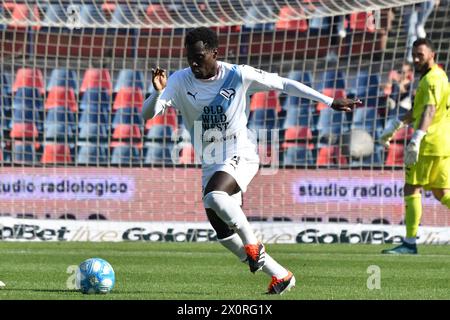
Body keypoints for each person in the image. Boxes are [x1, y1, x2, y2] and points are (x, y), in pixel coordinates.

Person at [142, 27, 361, 294]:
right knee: (222, 232)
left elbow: (283, 84)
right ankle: (281, 275)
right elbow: (147, 115)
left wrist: (328, 101)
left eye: (199, 56)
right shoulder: (179, 80)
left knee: (213, 197)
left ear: (215, 53)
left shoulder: (238, 74)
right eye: (189, 56)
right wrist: (156, 93)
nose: (193, 62)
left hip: (240, 152)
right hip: (211, 161)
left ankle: (253, 244)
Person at [380, 38, 449, 254]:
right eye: (414, 54)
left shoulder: (432, 80)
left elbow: (429, 110)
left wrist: (416, 138)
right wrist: (397, 124)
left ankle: (409, 243)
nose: (416, 58)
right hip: (443, 143)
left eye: (421, 54)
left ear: (432, 54)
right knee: (441, 193)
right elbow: (421, 110)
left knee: (412, 188)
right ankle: (409, 243)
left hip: (428, 144)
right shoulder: (436, 76)